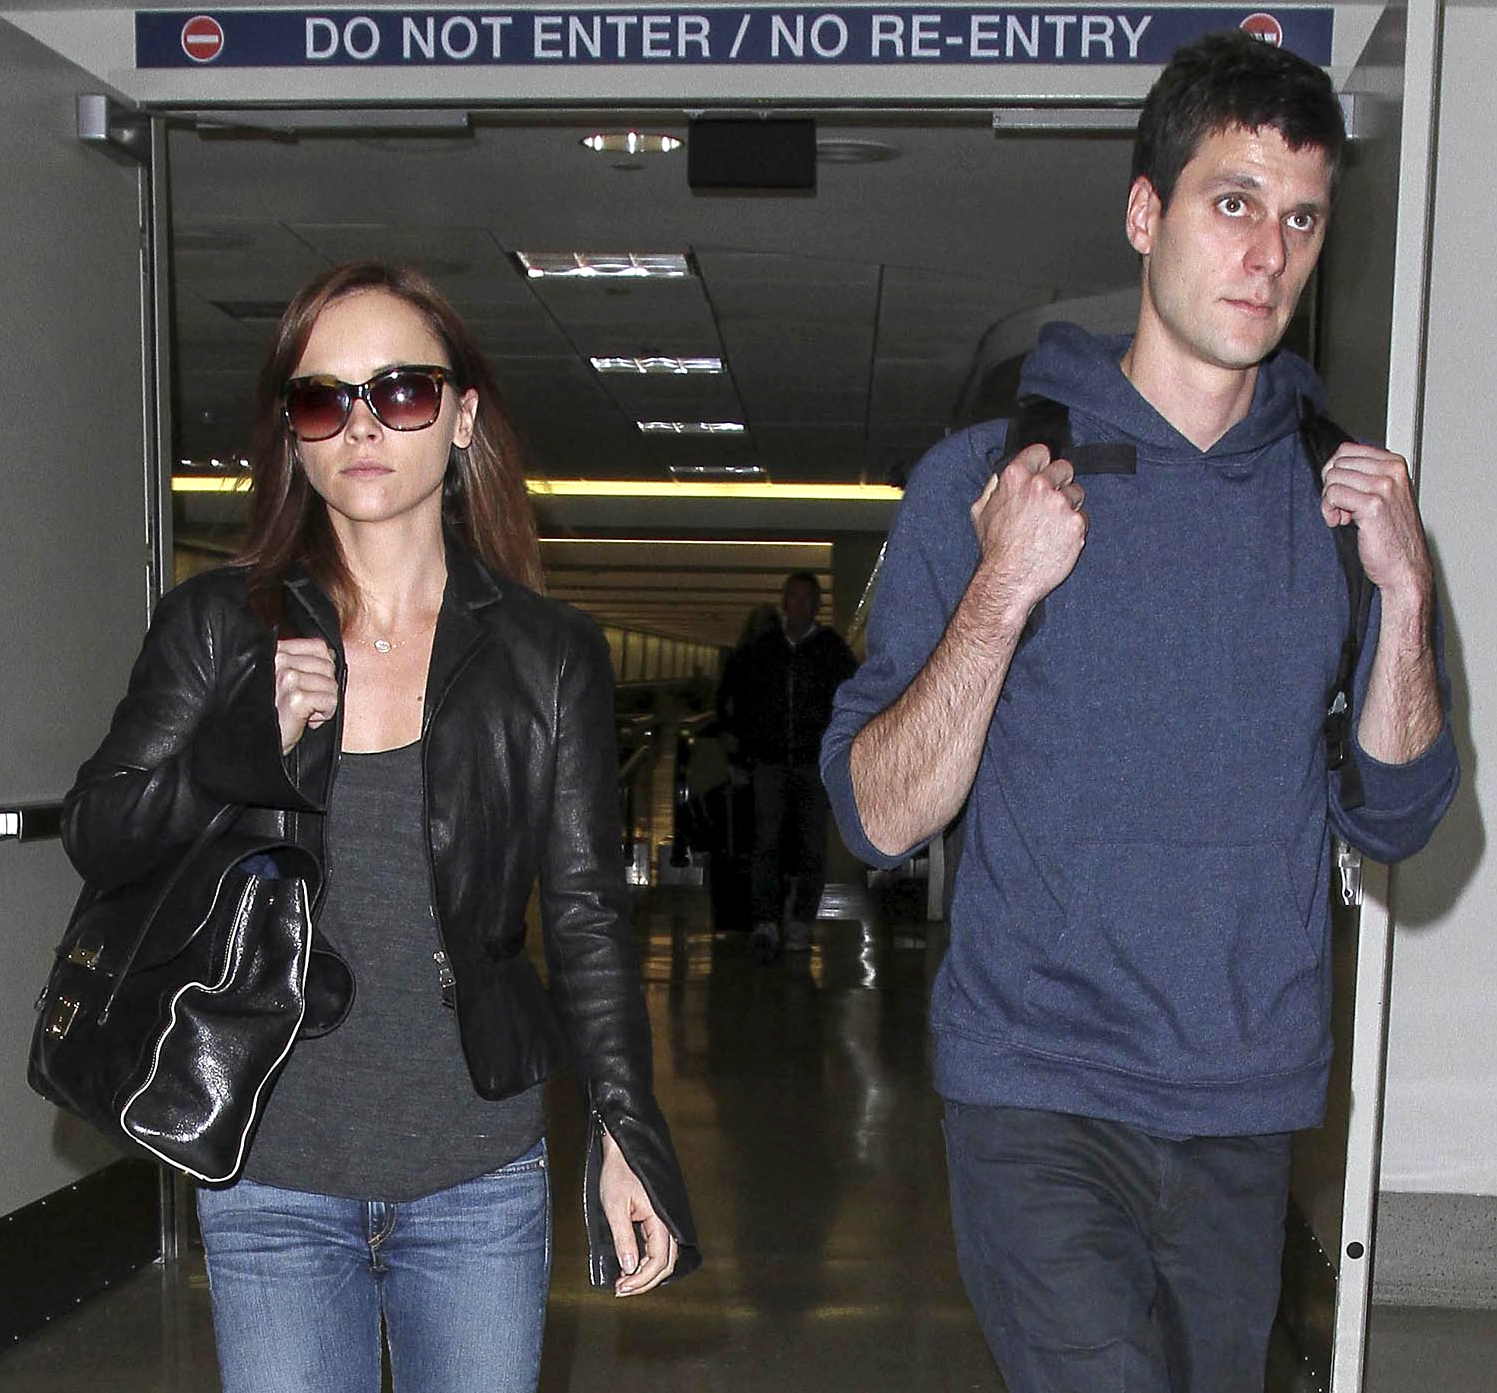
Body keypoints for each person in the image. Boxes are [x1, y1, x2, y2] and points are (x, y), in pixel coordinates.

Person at [821, 33, 1457, 1392]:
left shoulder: (1341, 509)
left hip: (1244, 1099)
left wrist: (1406, 593)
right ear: (1143, 214)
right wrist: (1001, 589)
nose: (1268, 254)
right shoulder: (988, 481)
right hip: (1038, 1085)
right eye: (1233, 203)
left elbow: (1399, 816)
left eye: (1301, 220)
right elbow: (877, 815)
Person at [62, 262, 699, 1393]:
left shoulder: (545, 655)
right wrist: (231, 748)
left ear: (462, 416)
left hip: (476, 1170)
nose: (361, 425)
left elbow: (587, 916)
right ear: (292, 435)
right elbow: (100, 833)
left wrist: (623, 1125)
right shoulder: (218, 627)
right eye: (322, 399)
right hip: (272, 1169)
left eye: (400, 391)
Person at [718, 572, 857, 960]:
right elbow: (738, 699)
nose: (795, 606)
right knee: (767, 843)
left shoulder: (831, 651)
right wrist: (740, 750)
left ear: (816, 606)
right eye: (791, 597)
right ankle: (765, 922)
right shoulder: (763, 650)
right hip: (770, 761)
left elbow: (850, 699)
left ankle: (800, 922)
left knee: (812, 845)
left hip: (813, 763)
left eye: (804, 599)